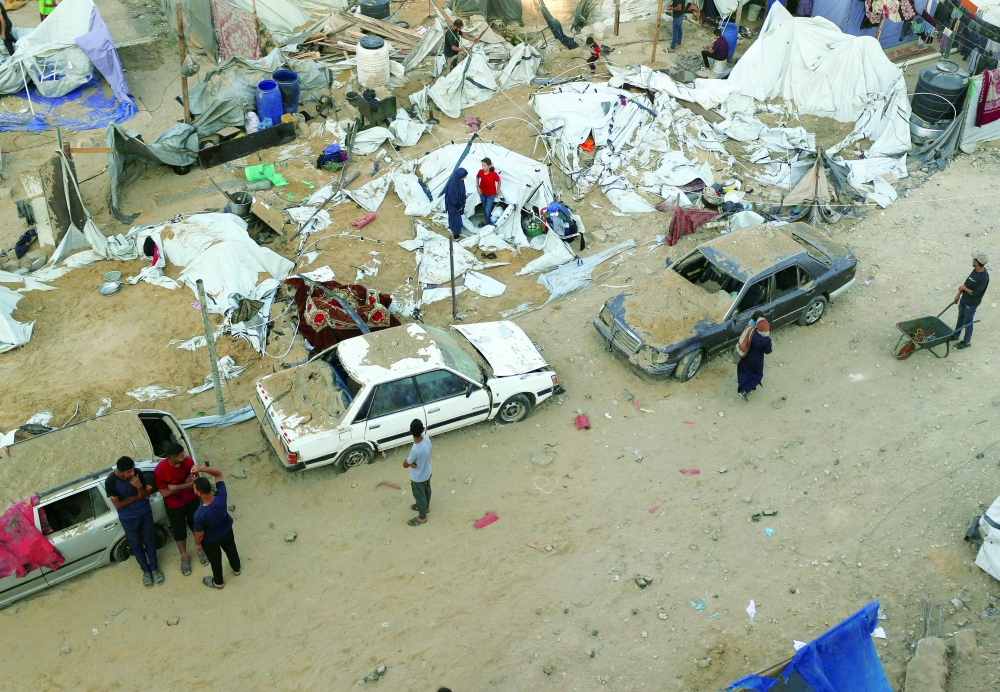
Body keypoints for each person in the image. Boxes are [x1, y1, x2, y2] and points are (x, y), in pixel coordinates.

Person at [105, 457, 163, 588]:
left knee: (150, 540)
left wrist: (139, 486)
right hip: (128, 519)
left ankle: (154, 568)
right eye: (129, 472)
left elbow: (145, 495)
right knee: (135, 545)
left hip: (145, 513)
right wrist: (138, 496)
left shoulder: (137, 473)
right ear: (120, 472)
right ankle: (146, 571)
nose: (132, 474)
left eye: (132, 470)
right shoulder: (111, 481)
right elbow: (119, 505)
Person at [154, 442, 208, 577]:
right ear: (171, 458)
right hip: (174, 506)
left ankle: (199, 548)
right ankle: (184, 556)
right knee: (179, 532)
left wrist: (175, 487)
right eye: (180, 456)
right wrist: (186, 484)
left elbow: (196, 482)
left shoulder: (188, 461)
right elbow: (164, 493)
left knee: (196, 526)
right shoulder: (160, 471)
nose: (184, 456)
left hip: (192, 500)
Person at [192, 465, 240, 590]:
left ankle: (218, 582)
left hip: (211, 540)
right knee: (232, 550)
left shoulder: (199, 514)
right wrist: (201, 469)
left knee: (215, 561)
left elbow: (199, 534)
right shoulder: (221, 496)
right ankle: (236, 569)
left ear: (199, 493)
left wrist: (197, 544)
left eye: (195, 489)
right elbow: (218, 473)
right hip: (227, 531)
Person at [952, 251, 990, 350]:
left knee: (968, 321)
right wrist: (958, 295)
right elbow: (966, 283)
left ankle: (967, 341)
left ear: (977, 262)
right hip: (964, 299)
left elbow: (975, 293)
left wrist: (963, 289)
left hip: (972, 303)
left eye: (974, 259)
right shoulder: (975, 270)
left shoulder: (984, 277)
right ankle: (956, 335)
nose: (972, 260)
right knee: (961, 316)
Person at [735, 312, 772, 402]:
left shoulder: (752, 331)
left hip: (745, 355)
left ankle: (741, 388)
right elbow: (768, 351)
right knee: (757, 375)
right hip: (756, 360)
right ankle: (744, 391)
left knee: (743, 372)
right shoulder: (767, 340)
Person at [403, 419, 432, 527]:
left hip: (418, 477)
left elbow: (405, 464)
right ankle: (426, 507)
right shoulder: (427, 439)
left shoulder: (415, 450)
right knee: (427, 490)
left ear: (410, 431)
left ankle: (422, 516)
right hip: (427, 471)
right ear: (423, 430)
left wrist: (410, 463)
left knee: (420, 496)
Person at [443, 167, 468, 240]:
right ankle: (455, 235)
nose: (465, 177)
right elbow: (452, 197)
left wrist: (464, 198)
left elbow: (463, 190)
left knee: (458, 218)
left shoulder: (459, 180)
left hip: (458, 203)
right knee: (454, 220)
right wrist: (458, 206)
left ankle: (457, 229)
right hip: (453, 206)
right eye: (464, 176)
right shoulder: (452, 184)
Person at [476, 158, 501, 227]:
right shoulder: (480, 172)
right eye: (482, 165)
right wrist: (477, 187)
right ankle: (487, 219)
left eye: (485, 166)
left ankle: (487, 223)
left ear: (489, 166)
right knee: (484, 207)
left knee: (487, 209)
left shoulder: (493, 174)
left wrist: (498, 190)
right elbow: (477, 177)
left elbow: (499, 181)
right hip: (482, 193)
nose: (483, 167)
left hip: (491, 194)